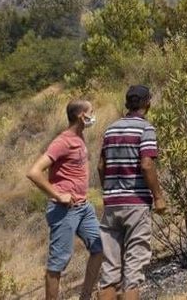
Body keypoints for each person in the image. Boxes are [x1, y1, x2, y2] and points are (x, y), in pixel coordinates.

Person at [26, 98, 103, 300]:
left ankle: (85, 296)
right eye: (91, 112)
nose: (93, 116)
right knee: (58, 263)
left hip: (83, 207)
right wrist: (58, 195)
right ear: (81, 116)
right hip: (64, 210)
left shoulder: (80, 137)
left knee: (100, 248)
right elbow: (33, 172)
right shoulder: (62, 142)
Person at [98, 85, 166, 300]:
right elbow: (147, 164)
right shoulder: (145, 129)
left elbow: (101, 166)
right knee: (133, 272)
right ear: (148, 103)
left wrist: (109, 191)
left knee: (109, 272)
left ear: (127, 104)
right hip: (136, 203)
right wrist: (158, 197)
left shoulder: (110, 129)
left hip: (112, 204)